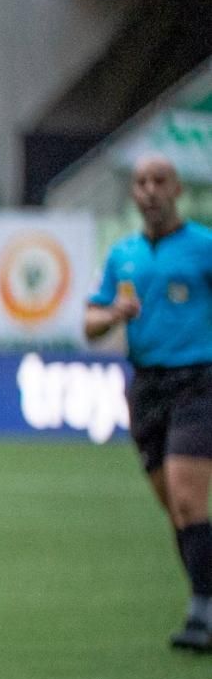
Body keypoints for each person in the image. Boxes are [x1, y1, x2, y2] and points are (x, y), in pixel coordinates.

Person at [85, 154, 212, 653]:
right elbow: (90, 324)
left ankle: (202, 611)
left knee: (187, 498)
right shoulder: (124, 255)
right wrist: (113, 313)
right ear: (133, 193)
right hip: (147, 386)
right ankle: (205, 597)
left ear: (177, 188)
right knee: (176, 510)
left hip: (198, 383)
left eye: (160, 180)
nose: (150, 190)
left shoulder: (203, 247)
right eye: (141, 182)